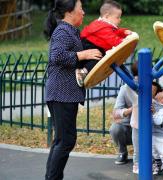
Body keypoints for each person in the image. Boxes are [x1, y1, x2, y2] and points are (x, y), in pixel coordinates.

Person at [43, 0, 103, 179]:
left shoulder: (71, 31)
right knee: (65, 140)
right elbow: (57, 56)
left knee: (62, 140)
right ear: (69, 12)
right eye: (80, 9)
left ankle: (52, 177)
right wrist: (83, 55)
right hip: (61, 93)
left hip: (65, 94)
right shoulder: (62, 31)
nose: (83, 12)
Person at [75, 0, 133, 87]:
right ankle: (82, 72)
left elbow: (115, 32)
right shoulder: (101, 27)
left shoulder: (105, 25)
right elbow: (112, 39)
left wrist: (124, 32)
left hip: (94, 46)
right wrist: (124, 42)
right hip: (89, 47)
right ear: (106, 16)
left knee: (100, 59)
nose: (120, 20)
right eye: (117, 17)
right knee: (98, 60)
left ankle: (84, 70)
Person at [130, 81, 162, 174]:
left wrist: (154, 111)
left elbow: (157, 116)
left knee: (150, 147)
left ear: (156, 94)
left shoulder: (155, 103)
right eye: (149, 88)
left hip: (149, 128)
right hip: (136, 127)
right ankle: (136, 164)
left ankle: (152, 163)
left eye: (153, 90)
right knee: (137, 148)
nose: (149, 90)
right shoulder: (137, 98)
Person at [110, 61, 139, 165]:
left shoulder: (153, 87)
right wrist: (131, 109)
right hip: (130, 128)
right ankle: (122, 151)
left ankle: (154, 156)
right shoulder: (125, 89)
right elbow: (115, 113)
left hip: (148, 127)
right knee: (115, 128)